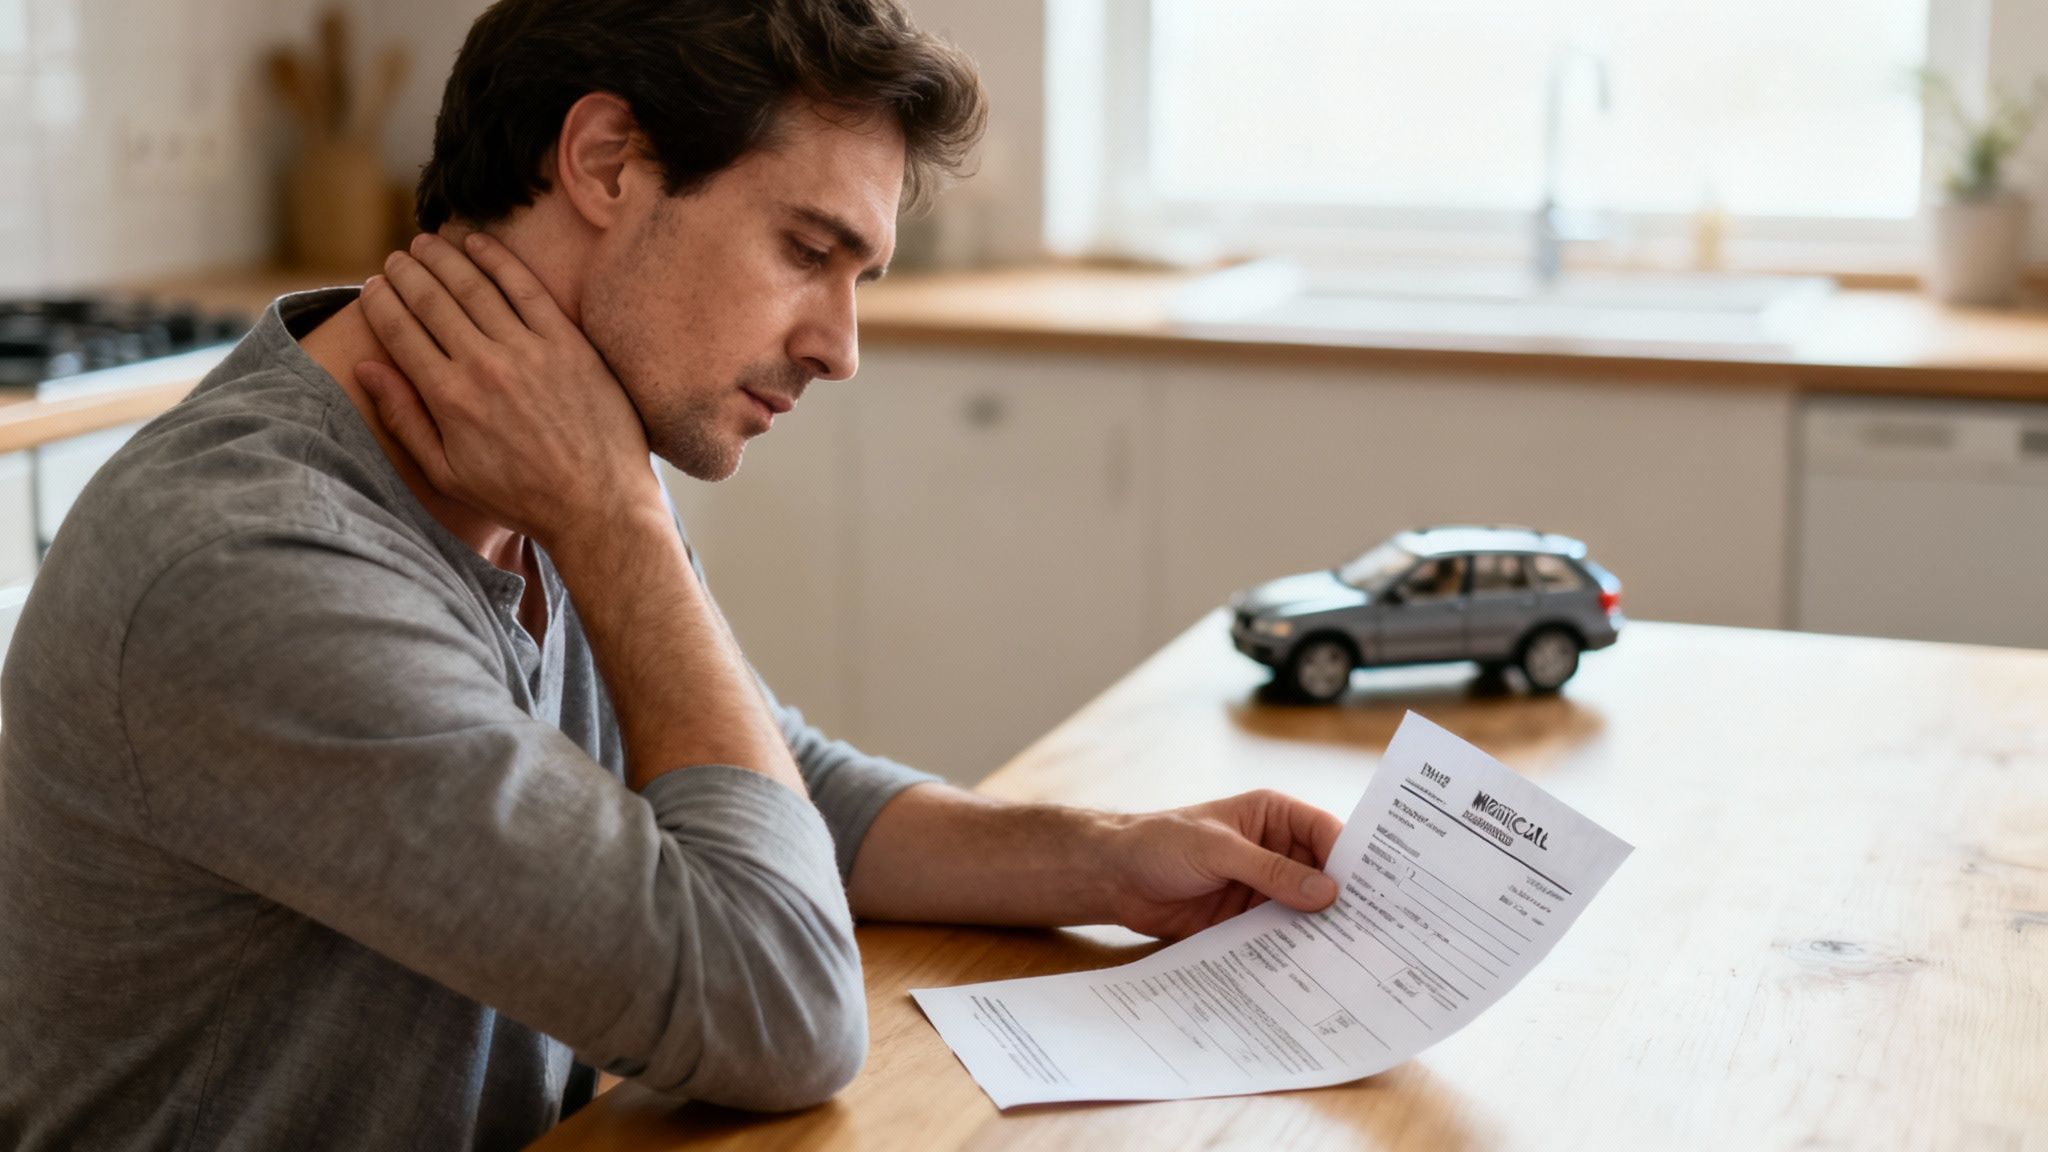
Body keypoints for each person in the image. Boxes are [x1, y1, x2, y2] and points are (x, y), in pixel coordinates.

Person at [0, 2, 1343, 1148]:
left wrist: (1107, 865)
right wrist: (616, 521)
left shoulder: (545, 457)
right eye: (807, 252)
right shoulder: (253, 562)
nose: (841, 346)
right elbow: (776, 1008)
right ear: (605, 160)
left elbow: (765, 784)